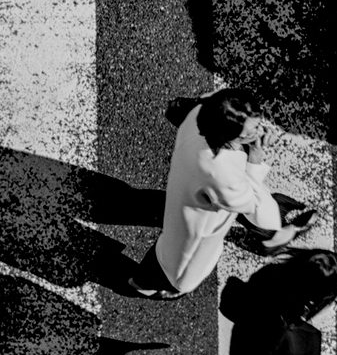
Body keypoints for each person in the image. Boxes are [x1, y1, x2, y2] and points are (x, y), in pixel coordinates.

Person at [129, 89, 317, 299]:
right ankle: (148, 288)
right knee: (174, 271)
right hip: (193, 236)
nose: (261, 128)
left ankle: (140, 282)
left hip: (184, 194)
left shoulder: (199, 115)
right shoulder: (222, 173)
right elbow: (256, 209)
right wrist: (255, 157)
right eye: (254, 127)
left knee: (164, 249)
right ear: (232, 133)